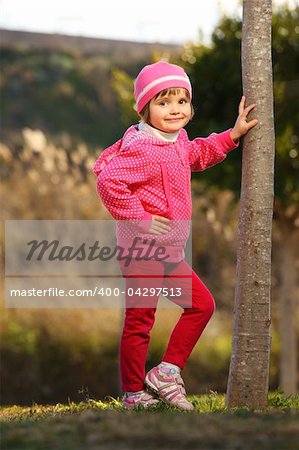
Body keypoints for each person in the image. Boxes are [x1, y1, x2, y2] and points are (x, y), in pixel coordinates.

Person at [92, 61, 258, 411]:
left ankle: (166, 372)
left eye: (181, 101)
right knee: (140, 322)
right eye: (163, 102)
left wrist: (232, 135)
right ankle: (133, 394)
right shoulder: (141, 148)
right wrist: (140, 218)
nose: (174, 110)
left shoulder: (177, 139)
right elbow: (108, 182)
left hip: (167, 252)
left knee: (201, 305)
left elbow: (197, 154)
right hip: (141, 252)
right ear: (146, 108)